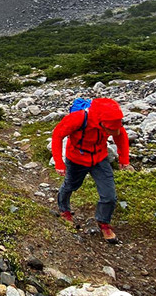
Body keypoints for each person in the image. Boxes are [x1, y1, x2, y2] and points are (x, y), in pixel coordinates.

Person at [51, 97, 134, 243]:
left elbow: (121, 137)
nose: (113, 132)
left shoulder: (112, 121)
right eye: (109, 130)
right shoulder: (78, 118)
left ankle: (104, 223)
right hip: (76, 158)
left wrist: (124, 159)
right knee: (71, 185)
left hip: (100, 158)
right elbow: (58, 135)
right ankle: (64, 210)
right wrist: (59, 162)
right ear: (100, 122)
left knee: (109, 195)